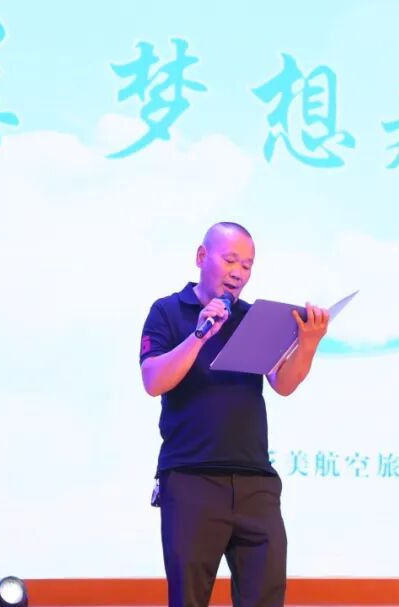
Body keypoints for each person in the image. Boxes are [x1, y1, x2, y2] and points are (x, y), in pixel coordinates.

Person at [138, 221, 330, 607]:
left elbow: (282, 383)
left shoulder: (254, 317)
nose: (239, 272)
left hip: (255, 481)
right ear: (201, 256)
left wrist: (308, 344)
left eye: (247, 265)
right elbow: (153, 380)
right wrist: (199, 334)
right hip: (191, 479)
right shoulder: (168, 311)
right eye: (230, 260)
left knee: (265, 596)